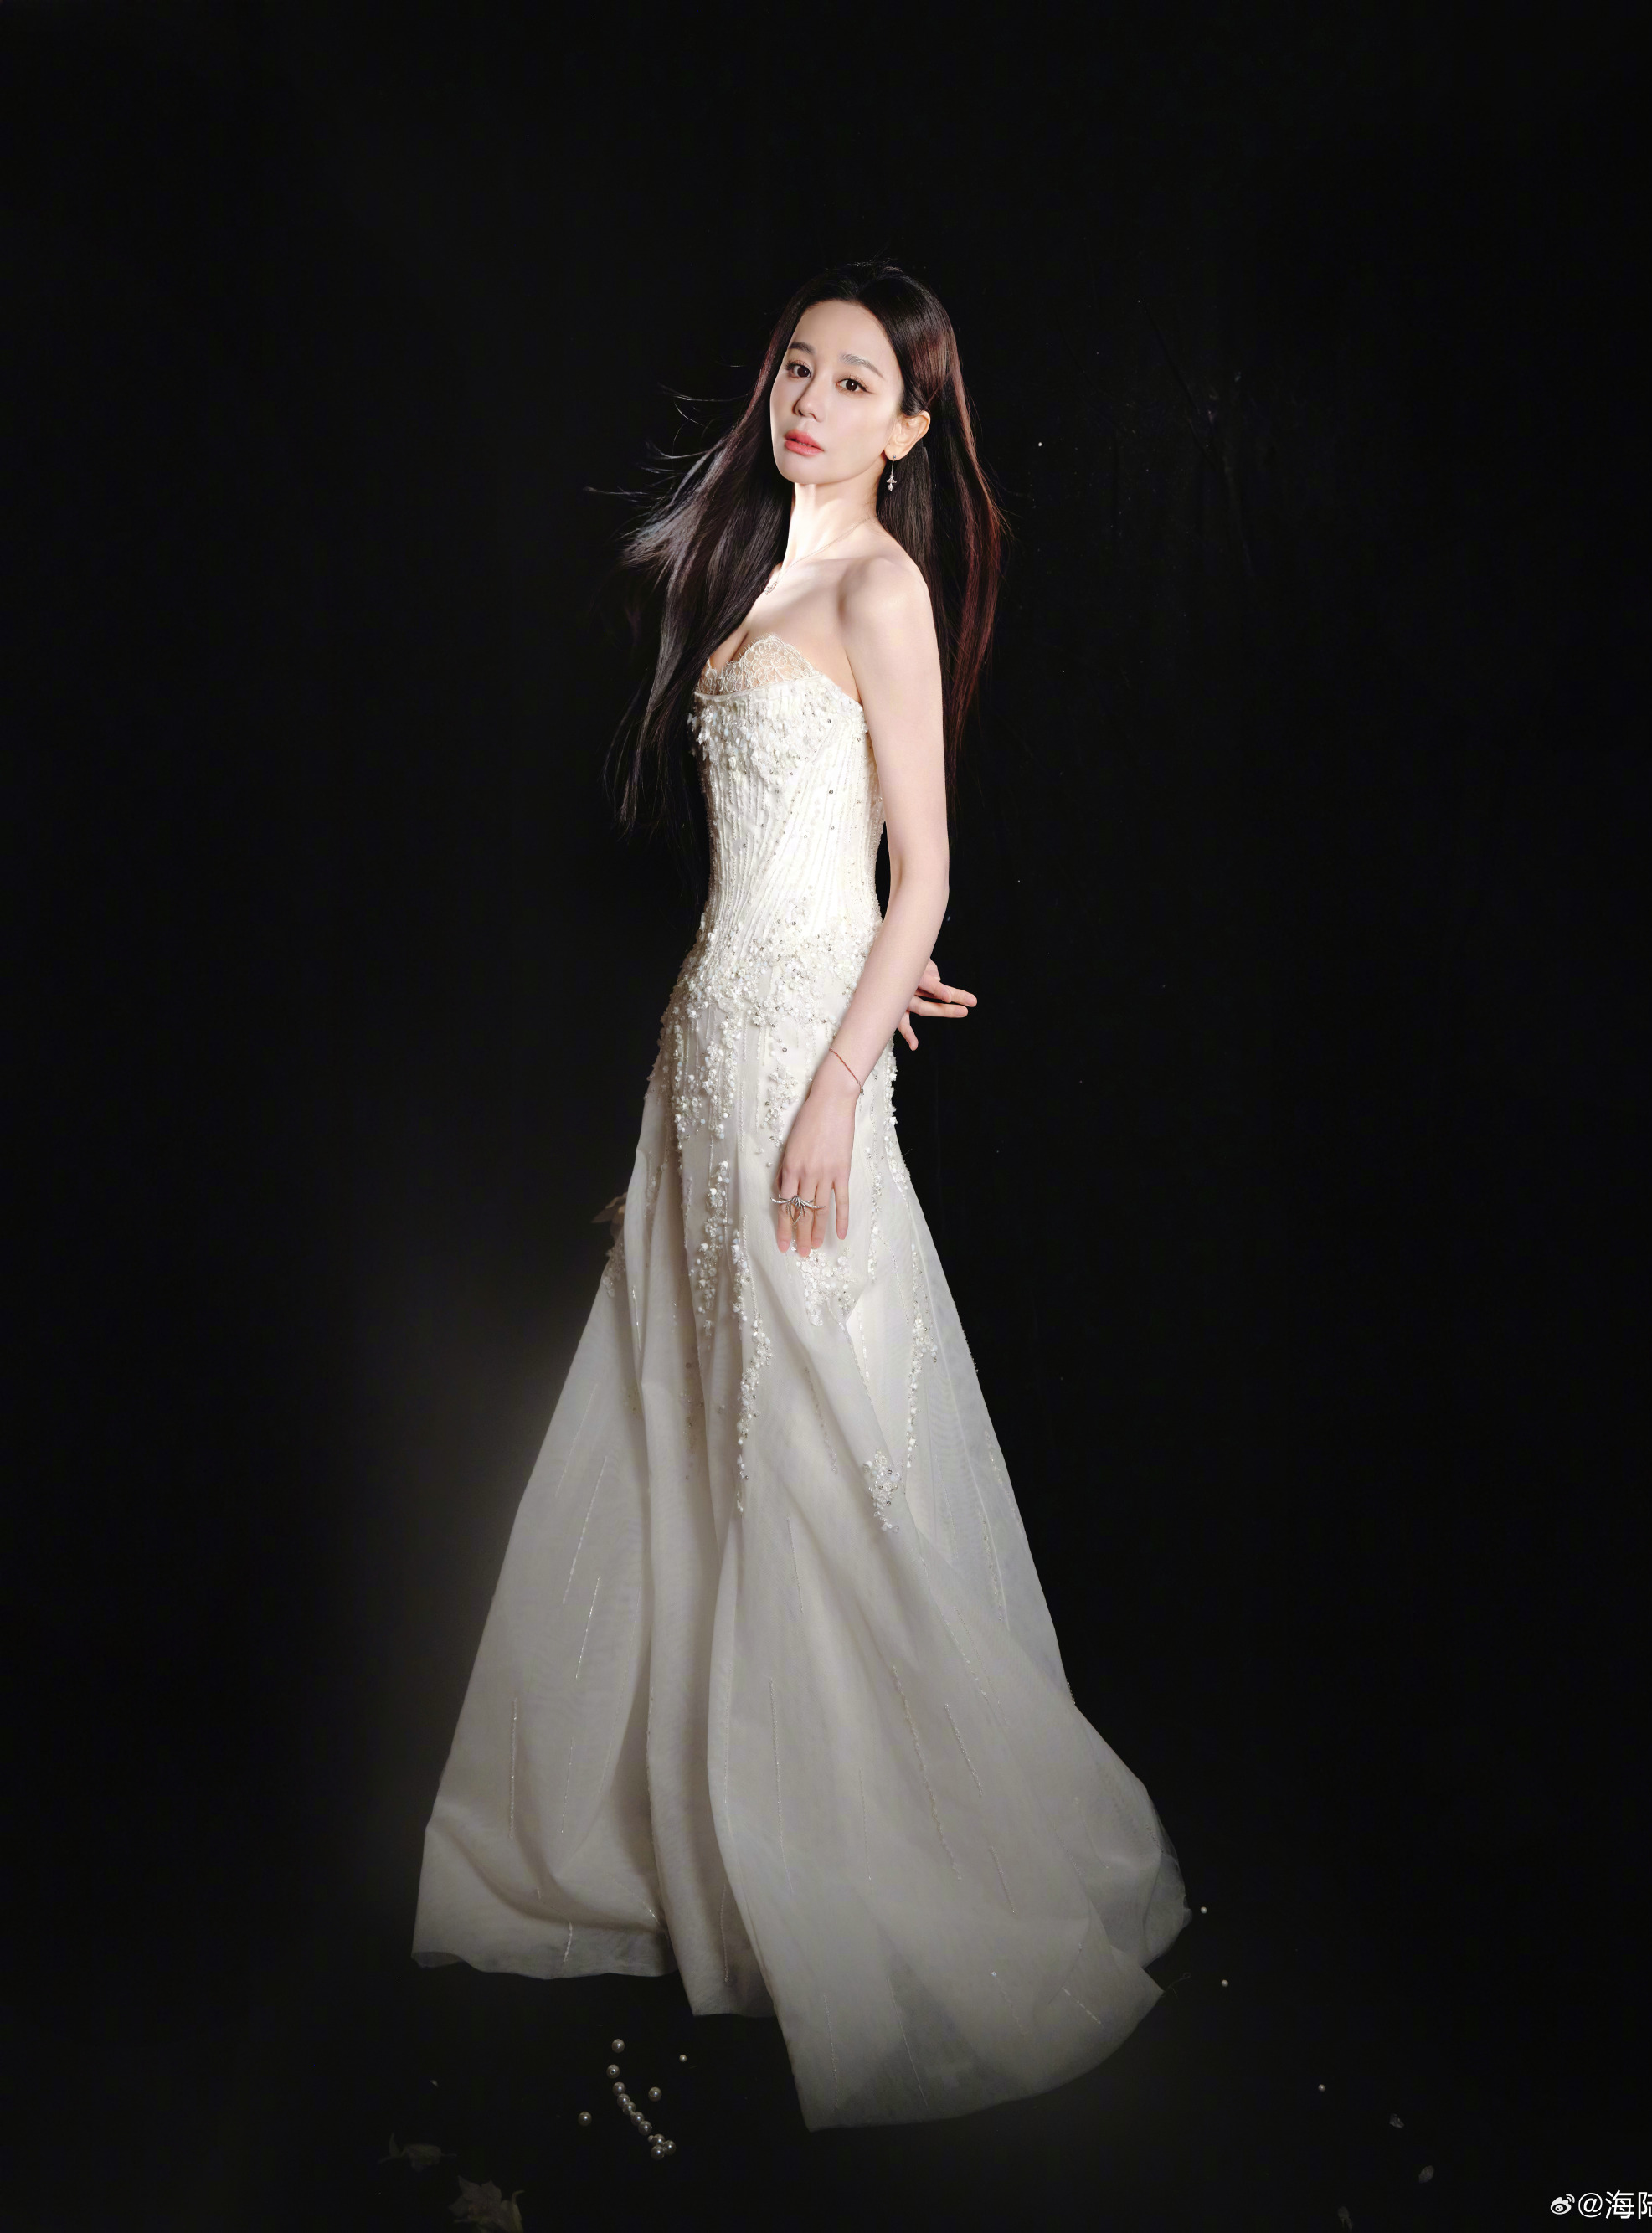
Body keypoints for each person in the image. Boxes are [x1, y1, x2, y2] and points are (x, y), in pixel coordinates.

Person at [412, 260, 1190, 2130]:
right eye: (797, 368)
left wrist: (843, 1072)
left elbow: (928, 872)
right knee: (699, 1426)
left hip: (796, 1074)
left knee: (823, 1429)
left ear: (911, 427)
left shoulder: (881, 587)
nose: (811, 401)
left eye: (853, 382)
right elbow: (810, 855)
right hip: (707, 1039)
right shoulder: (751, 578)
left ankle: (888, 1854)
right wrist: (841, 969)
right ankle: (718, 1851)